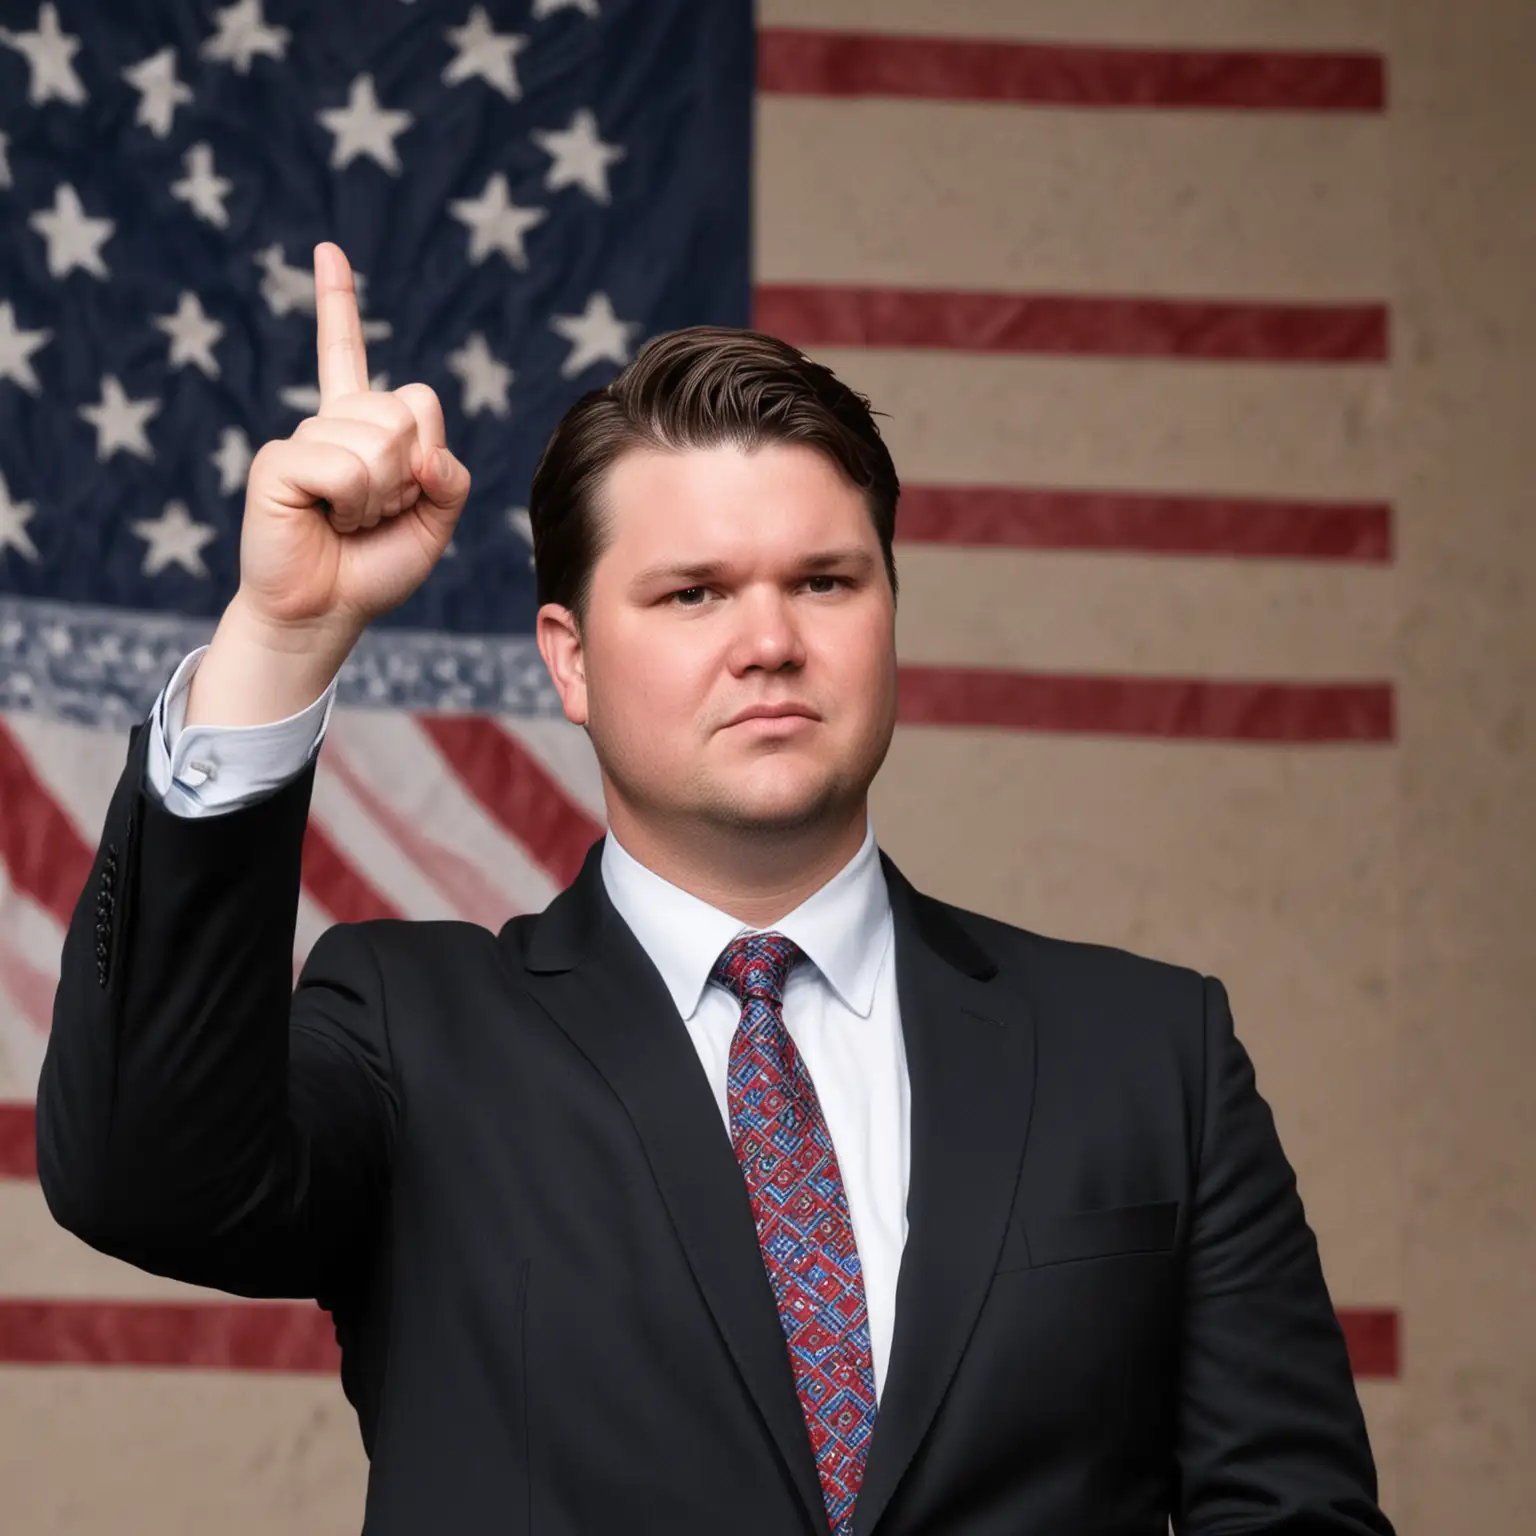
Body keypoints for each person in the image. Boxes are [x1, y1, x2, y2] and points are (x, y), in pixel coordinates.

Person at [36, 242, 1395, 1536]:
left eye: (824, 580)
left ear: (890, 612)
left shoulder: (1152, 1055)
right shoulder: (411, 1033)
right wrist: (283, 637)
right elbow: (142, 1181)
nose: (768, 641)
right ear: (566, 662)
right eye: (691, 594)